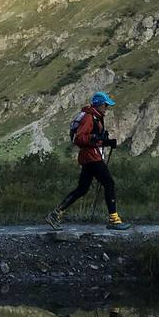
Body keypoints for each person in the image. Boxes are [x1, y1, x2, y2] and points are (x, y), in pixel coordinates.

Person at [47, 92, 131, 231]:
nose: (107, 108)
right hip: (92, 157)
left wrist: (106, 142)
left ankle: (55, 214)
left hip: (88, 157)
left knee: (82, 189)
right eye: (105, 105)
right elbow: (80, 138)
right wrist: (98, 139)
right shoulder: (89, 117)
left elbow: (93, 139)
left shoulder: (95, 117)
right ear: (99, 104)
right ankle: (114, 219)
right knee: (109, 183)